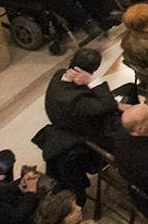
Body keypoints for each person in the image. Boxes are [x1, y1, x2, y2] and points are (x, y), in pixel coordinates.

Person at [38, 47, 125, 191]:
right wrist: (92, 81)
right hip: (93, 134)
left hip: (74, 121)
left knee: (126, 91)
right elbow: (107, 105)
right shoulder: (73, 100)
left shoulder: (59, 75)